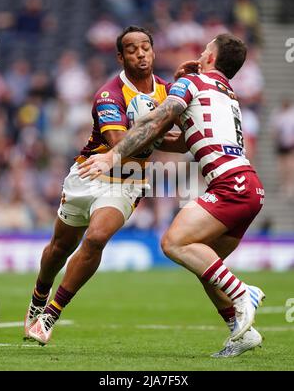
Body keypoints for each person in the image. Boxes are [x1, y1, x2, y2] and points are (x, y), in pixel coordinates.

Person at [79, 33, 266, 358]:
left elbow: (159, 119)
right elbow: (184, 131)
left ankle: (243, 293)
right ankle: (239, 331)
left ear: (210, 58)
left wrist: (113, 155)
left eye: (205, 49)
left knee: (173, 243)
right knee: (205, 261)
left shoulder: (193, 83)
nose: (199, 52)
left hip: (229, 184)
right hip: (249, 187)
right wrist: (182, 81)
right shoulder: (227, 93)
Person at [24, 26, 188, 345]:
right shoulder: (109, 93)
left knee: (97, 237)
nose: (140, 53)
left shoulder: (168, 92)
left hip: (127, 181)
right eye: (132, 49)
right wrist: (160, 129)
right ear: (120, 56)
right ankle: (38, 296)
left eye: (145, 47)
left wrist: (183, 137)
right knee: (59, 249)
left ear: (154, 52)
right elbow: (119, 144)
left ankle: (50, 315)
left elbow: (181, 145)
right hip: (89, 173)